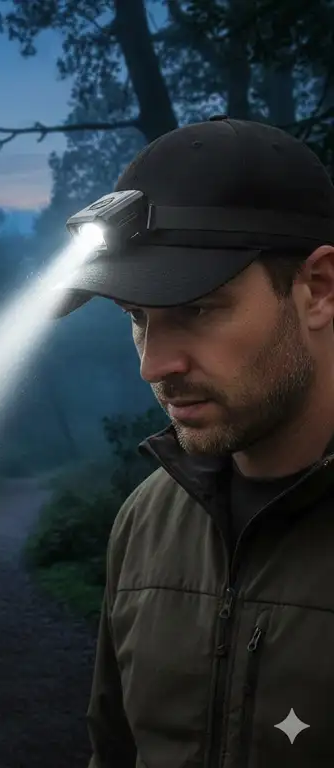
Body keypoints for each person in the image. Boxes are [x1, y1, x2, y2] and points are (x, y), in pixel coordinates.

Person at [61, 116, 334, 767]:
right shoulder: (149, 521)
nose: (154, 366)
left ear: (318, 289)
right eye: (137, 320)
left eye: (199, 308)